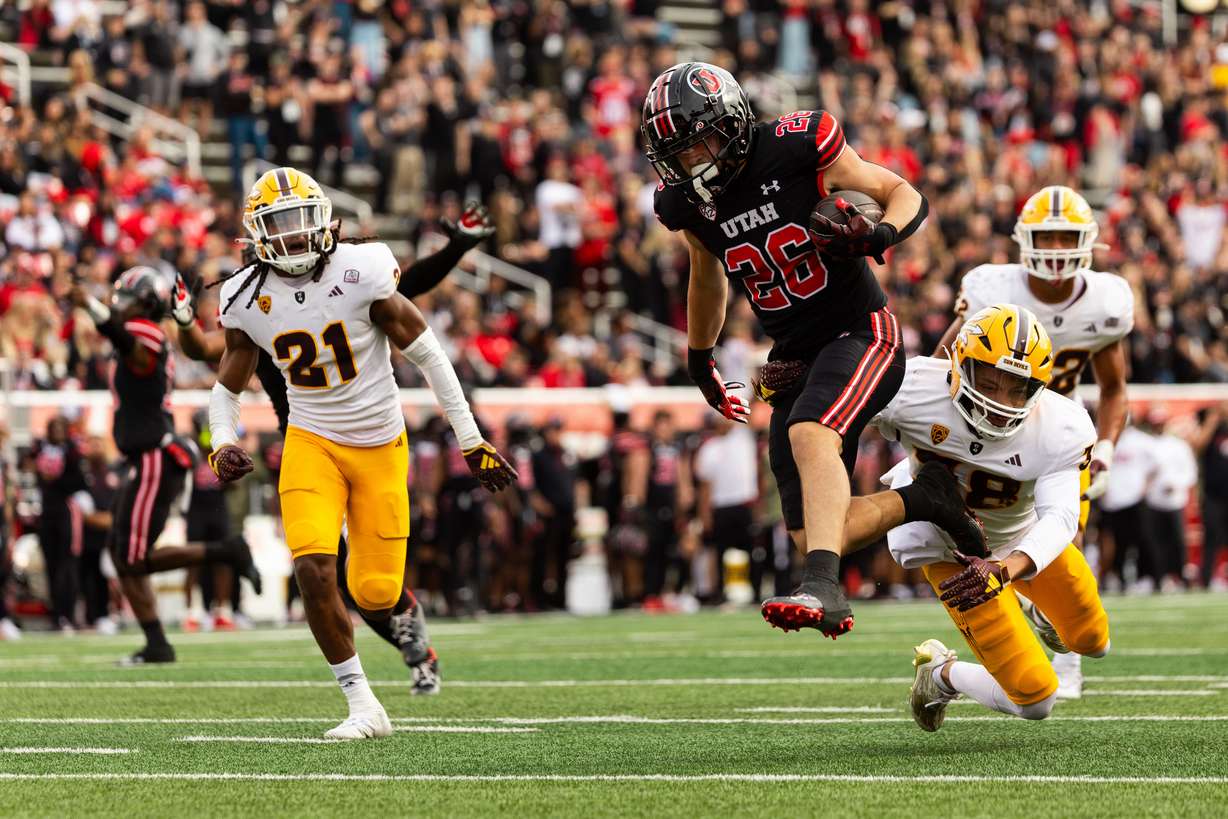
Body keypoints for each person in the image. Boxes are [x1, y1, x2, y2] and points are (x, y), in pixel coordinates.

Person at [644, 62, 957, 637]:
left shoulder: (796, 144)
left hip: (863, 331)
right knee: (811, 530)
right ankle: (928, 498)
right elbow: (707, 274)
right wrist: (699, 356)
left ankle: (824, 588)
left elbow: (899, 191)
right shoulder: (686, 204)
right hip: (796, 353)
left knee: (811, 432)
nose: (692, 164)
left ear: (733, 121)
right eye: (679, 155)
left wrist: (880, 234)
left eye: (700, 144)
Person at [206, 167, 516, 740]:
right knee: (314, 569)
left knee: (373, 591)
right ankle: (362, 704)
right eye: (279, 225)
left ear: (324, 219)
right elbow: (225, 390)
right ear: (256, 235)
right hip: (311, 441)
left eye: (301, 221)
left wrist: (471, 441)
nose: (295, 236)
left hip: (379, 444)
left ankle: (408, 628)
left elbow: (431, 357)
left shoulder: (361, 270)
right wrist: (221, 442)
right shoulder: (245, 297)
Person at [934, 185, 1133, 699]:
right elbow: (945, 359)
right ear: (1024, 239)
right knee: (987, 526)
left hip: (1056, 434)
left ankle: (1066, 660)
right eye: (1047, 236)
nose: (1057, 248)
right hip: (985, 426)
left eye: (1067, 237)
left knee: (1066, 534)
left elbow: (1114, 389)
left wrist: (1107, 447)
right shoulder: (990, 287)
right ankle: (1018, 618)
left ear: (1089, 242)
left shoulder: (1106, 302)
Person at [874, 304, 1107, 730]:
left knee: (1094, 641)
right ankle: (940, 674)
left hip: (1022, 539)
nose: (1001, 401)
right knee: (1036, 700)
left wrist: (1007, 568)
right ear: (961, 364)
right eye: (991, 381)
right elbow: (834, 410)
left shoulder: (1061, 426)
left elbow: (1060, 517)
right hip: (953, 555)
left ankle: (1031, 605)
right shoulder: (909, 388)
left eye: (1019, 388)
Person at [70, 267, 262, 665]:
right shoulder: (142, 331)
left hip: (156, 455)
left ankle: (226, 550)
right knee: (122, 553)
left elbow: (130, 349)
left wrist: (89, 306)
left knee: (133, 558)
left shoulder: (145, 333)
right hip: (145, 457)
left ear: (145, 304)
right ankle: (156, 641)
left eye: (128, 298)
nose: (119, 305)